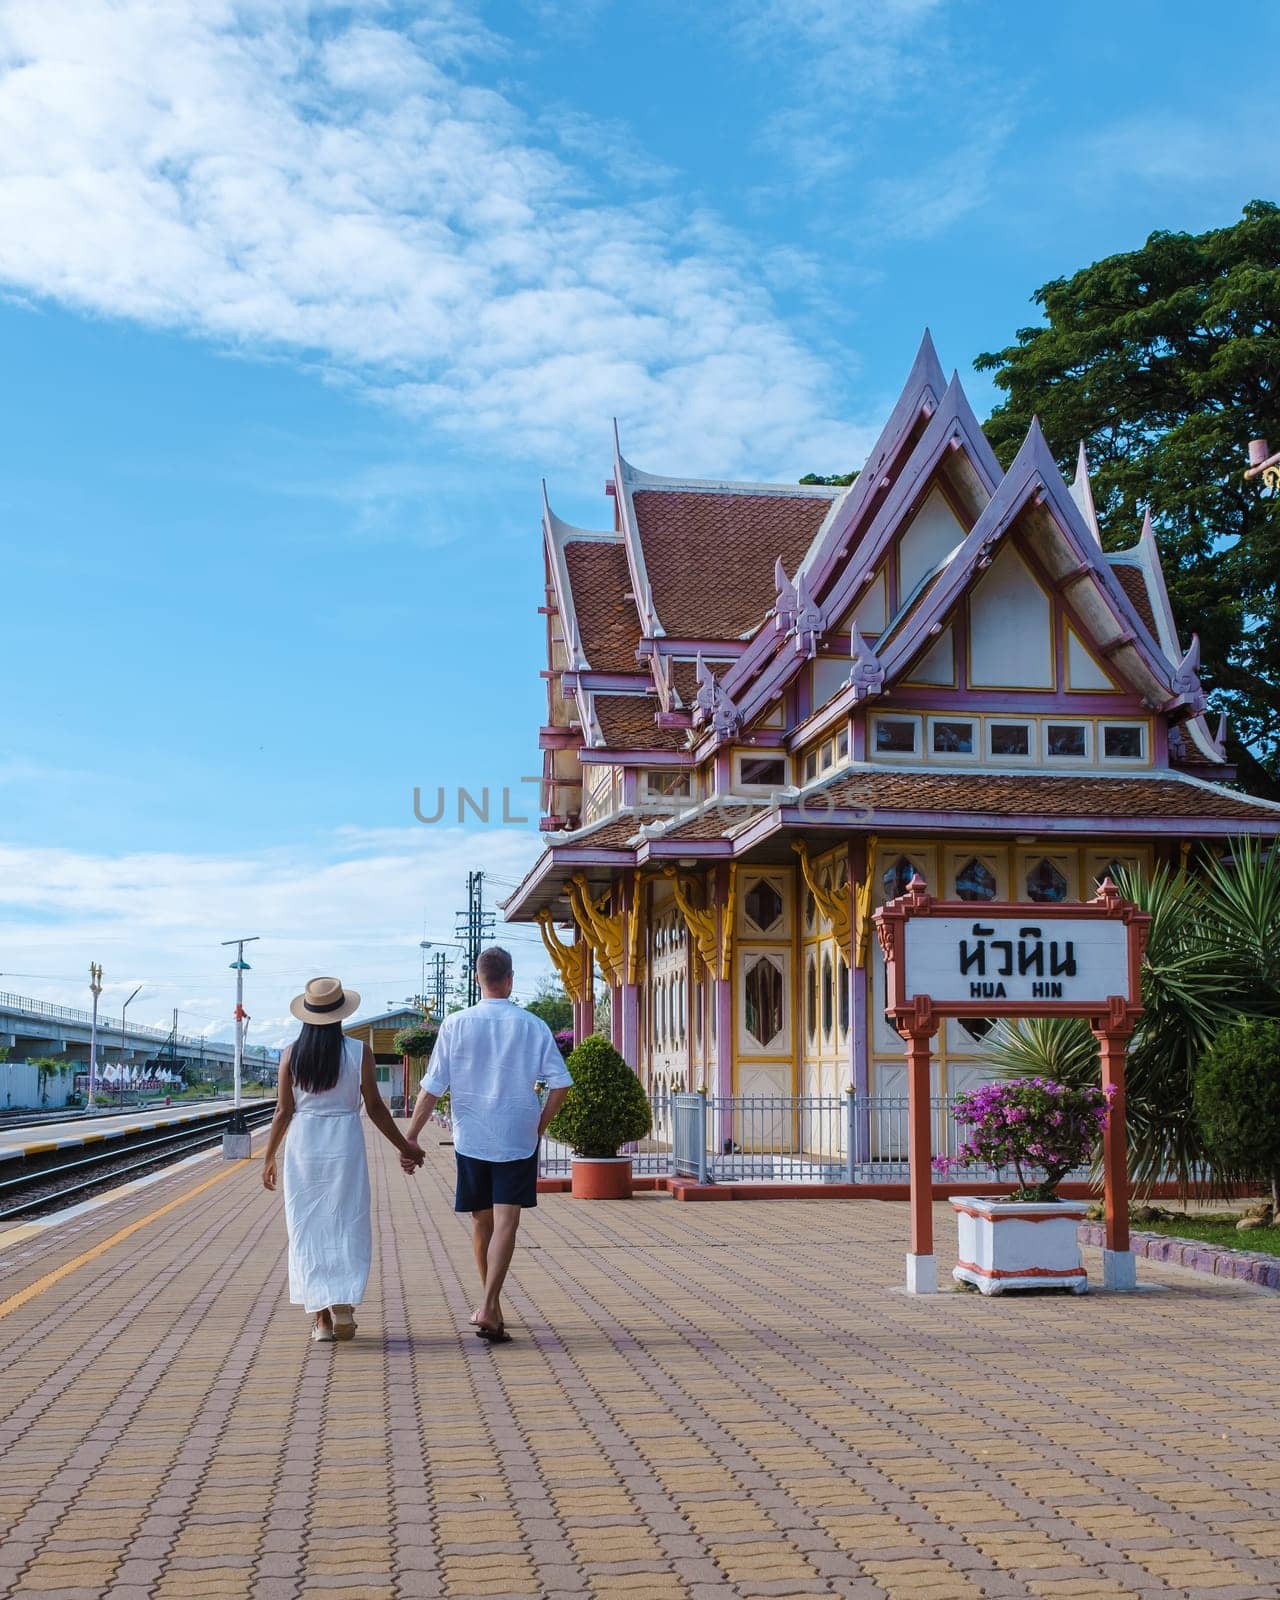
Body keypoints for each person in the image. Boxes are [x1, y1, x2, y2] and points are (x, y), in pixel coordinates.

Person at [401, 947, 571, 1343]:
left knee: (482, 1222)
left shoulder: (456, 1024)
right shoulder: (533, 1025)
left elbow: (431, 1088)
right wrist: (540, 1124)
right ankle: (490, 1305)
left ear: (478, 979)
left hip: (472, 1136)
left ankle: (490, 1304)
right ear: (510, 980)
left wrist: (409, 1138)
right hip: (517, 1136)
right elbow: (560, 1082)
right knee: (507, 1221)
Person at [262, 976, 424, 1343]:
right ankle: (345, 1306)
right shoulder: (358, 1052)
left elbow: (283, 1111)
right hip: (345, 1142)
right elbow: (377, 1108)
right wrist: (405, 1146)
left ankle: (321, 1321)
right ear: (339, 1014)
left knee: (306, 1227)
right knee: (346, 1221)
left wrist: (269, 1156)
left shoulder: (290, 1053)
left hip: (304, 1146)